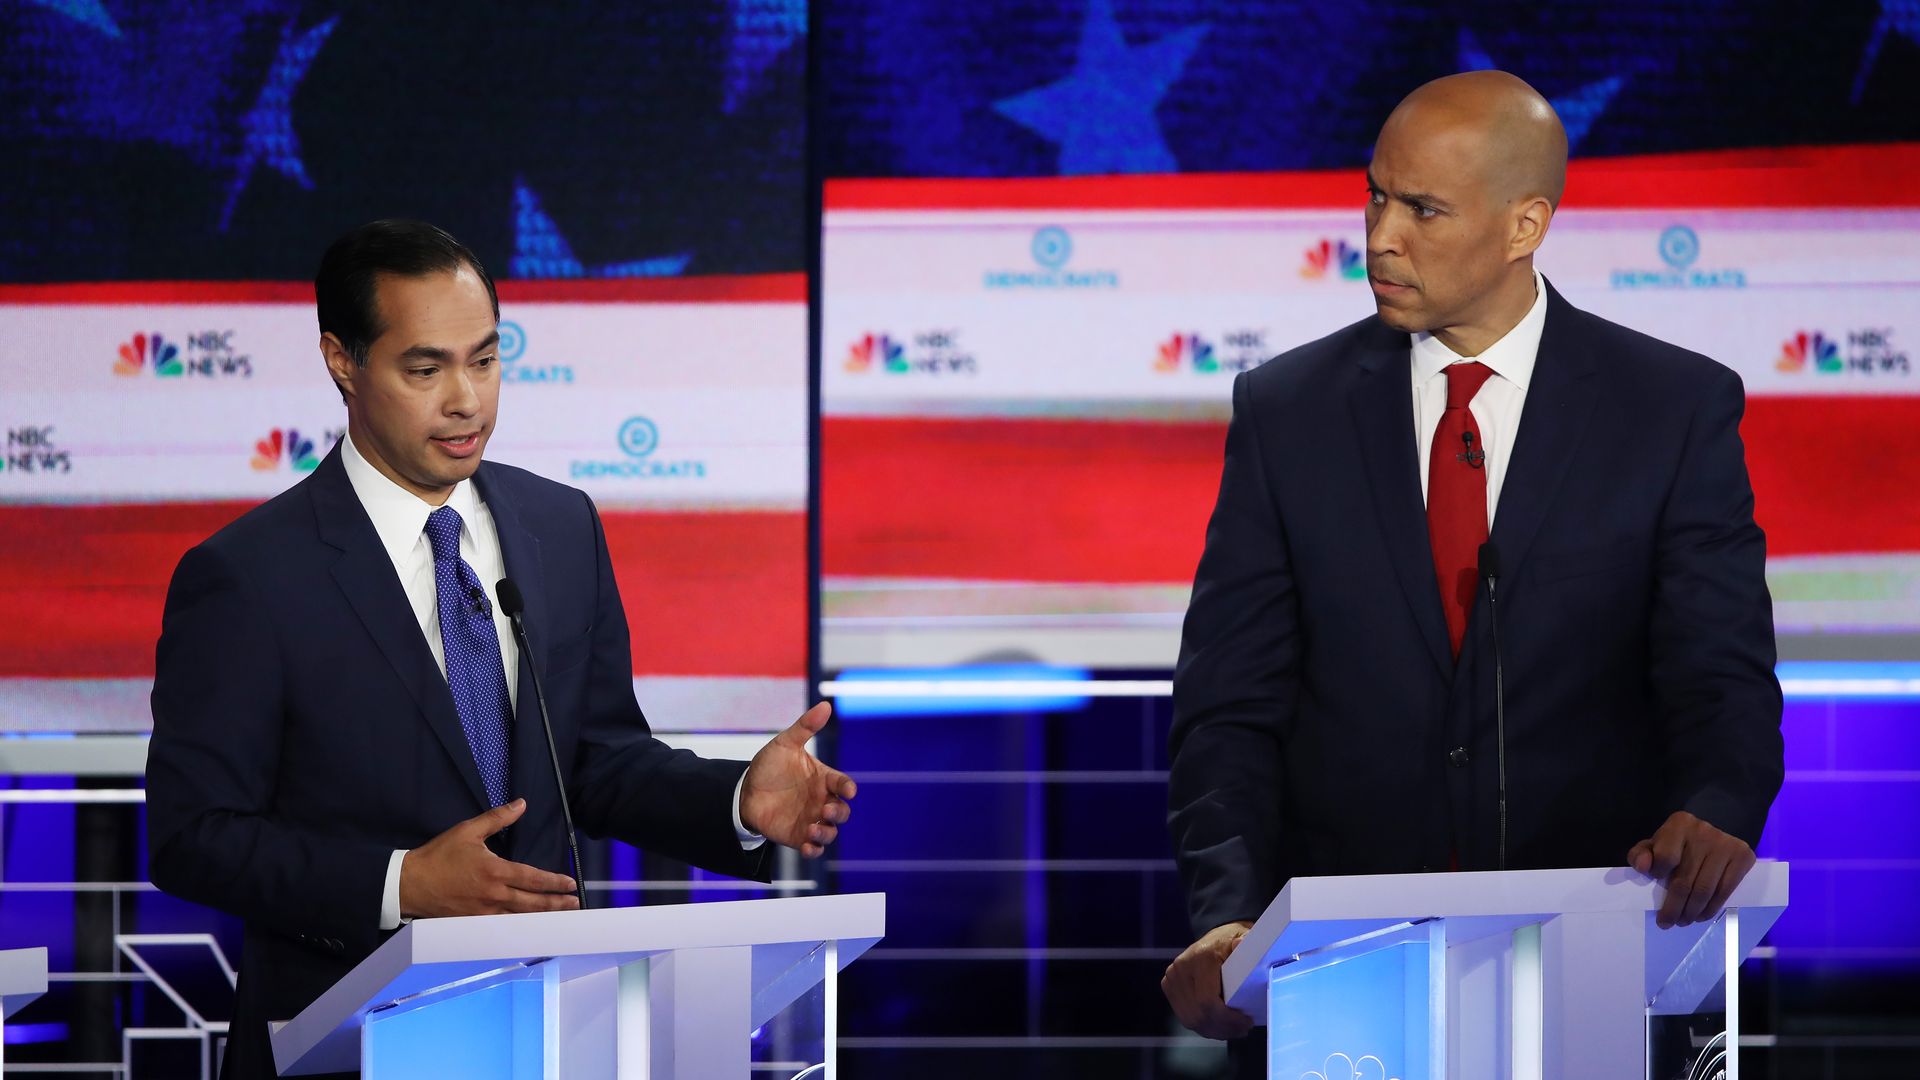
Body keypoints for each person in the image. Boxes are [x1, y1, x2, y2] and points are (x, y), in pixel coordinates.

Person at [1161, 71, 1784, 1065]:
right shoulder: (1289, 412)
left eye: (1423, 209)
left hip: (1589, 969)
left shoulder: (1670, 411)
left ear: (1524, 224)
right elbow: (1229, 708)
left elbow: (1722, 679)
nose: (1379, 237)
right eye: (1374, 195)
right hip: (1341, 987)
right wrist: (1226, 914)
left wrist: (1714, 806)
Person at [146, 219, 854, 1079]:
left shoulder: (559, 526)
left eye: (484, 360)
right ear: (342, 362)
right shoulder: (249, 577)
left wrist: (738, 799)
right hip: (336, 1044)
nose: (466, 400)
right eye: (426, 367)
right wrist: (403, 886)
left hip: (547, 1031)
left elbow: (594, 762)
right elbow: (193, 836)